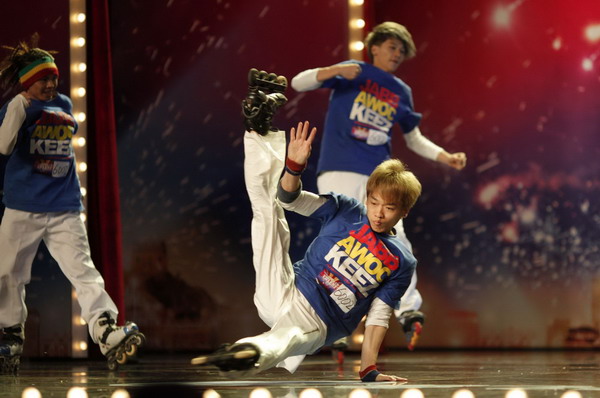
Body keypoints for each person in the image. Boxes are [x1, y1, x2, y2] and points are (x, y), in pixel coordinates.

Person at [192, 69, 422, 382]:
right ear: (367, 198)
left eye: (390, 207)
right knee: (268, 211)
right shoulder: (348, 209)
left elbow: (379, 317)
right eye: (375, 202)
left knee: (287, 338)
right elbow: (289, 199)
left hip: (318, 321)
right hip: (287, 289)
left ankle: (246, 354)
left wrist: (368, 369)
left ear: (404, 212)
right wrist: (295, 167)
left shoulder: (400, 261)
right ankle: (259, 129)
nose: (379, 213)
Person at [291, 21, 467, 349]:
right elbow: (297, 83)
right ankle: (322, 312)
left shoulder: (401, 91)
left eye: (402, 51)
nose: (397, 54)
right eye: (392, 47)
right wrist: (332, 71)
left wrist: (446, 157)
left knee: (396, 239)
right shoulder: (354, 71)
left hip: (379, 177)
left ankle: (410, 311)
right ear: (374, 48)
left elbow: (413, 138)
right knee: (340, 242)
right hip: (340, 168)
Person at [0, 35, 144, 373]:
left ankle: (106, 331)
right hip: (23, 207)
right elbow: (4, 147)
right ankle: (10, 333)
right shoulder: (17, 107)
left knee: (84, 272)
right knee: (8, 273)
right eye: (42, 79)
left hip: (64, 207)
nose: (50, 84)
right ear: (27, 83)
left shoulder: (64, 103)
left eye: (52, 77)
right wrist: (19, 107)